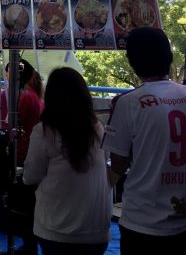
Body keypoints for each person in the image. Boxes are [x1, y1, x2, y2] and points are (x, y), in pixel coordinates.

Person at [102, 27, 186, 254]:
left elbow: (118, 164)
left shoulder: (128, 102)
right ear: (168, 57)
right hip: (183, 219)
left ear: (133, 61)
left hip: (142, 221)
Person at [23, 67, 112, 255]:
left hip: (56, 230)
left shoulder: (44, 131)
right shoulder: (98, 128)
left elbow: (30, 177)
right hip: (96, 230)